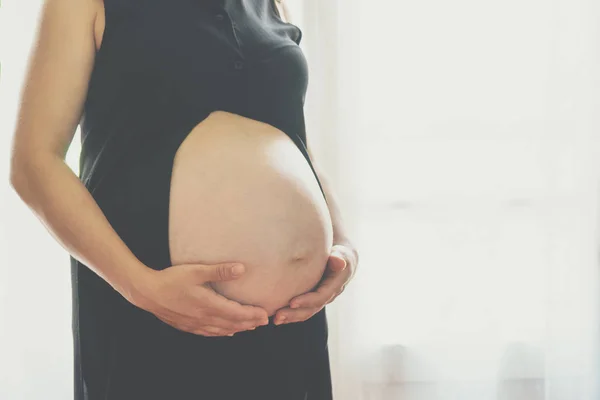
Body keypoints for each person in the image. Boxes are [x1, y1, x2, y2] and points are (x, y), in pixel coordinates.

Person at [9, 0, 359, 399]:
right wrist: (141, 287)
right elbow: (33, 165)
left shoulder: (272, 4)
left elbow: (299, 147)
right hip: (158, 311)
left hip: (290, 323)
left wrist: (343, 246)